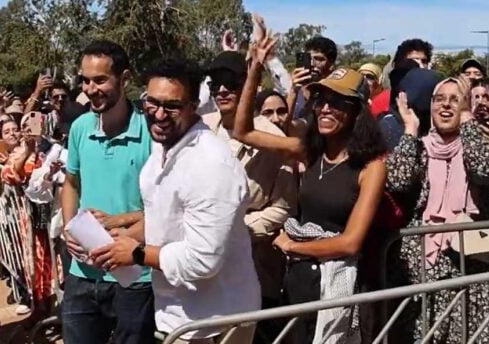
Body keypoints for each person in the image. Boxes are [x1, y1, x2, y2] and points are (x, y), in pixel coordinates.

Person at [91, 58, 261, 344]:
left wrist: (135, 254)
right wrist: (113, 243)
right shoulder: (163, 146)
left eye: (171, 106)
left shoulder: (210, 164)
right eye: (151, 103)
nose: (158, 115)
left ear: (194, 105)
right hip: (178, 315)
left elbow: (202, 260)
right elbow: (165, 217)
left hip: (215, 322)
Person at [234, 34, 387, 343]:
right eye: (321, 100)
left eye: (337, 102)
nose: (325, 109)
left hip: (340, 284)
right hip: (300, 282)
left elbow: (350, 243)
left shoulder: (371, 167)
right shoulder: (309, 150)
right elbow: (243, 130)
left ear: (357, 111)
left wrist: (294, 247)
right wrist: (254, 70)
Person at [386, 78, 489, 343]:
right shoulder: (419, 148)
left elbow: (485, 169)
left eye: (455, 99)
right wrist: (409, 130)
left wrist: (467, 118)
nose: (446, 106)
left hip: (474, 266)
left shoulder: (485, 143)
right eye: (439, 99)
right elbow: (397, 179)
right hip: (423, 265)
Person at [60, 40, 155, 344]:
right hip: (82, 273)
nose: (90, 89)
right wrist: (68, 226)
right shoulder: (79, 128)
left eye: (100, 80)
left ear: (124, 78)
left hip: (134, 276)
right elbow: (71, 184)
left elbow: (167, 210)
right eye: (85, 80)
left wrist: (115, 222)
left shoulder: (152, 134)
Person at [201, 50, 296, 343]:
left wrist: (240, 231)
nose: (222, 90)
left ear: (249, 84)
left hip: (251, 261)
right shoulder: (200, 128)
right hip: (202, 259)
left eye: (231, 82)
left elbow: (283, 207)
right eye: (215, 82)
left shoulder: (274, 138)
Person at [291, 36, 338, 119]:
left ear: (331, 64)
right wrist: (293, 91)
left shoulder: (337, 94)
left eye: (319, 59)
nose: (312, 64)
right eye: (309, 58)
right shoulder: (294, 89)